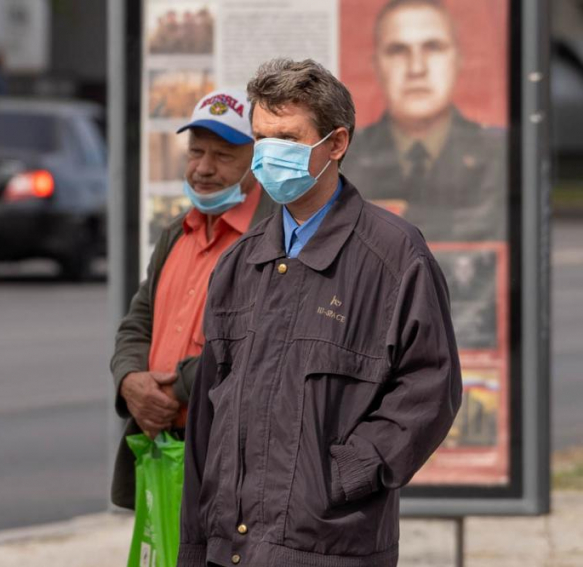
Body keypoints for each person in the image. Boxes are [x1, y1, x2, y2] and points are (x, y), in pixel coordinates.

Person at [178, 58, 462, 567]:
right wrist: (197, 548)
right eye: (261, 138)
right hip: (231, 551)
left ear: (335, 144)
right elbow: (207, 420)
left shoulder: (394, 255)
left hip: (332, 549)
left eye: (286, 138)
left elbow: (431, 388)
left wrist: (347, 474)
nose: (268, 155)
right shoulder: (240, 262)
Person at [110, 90, 276, 510]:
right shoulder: (176, 233)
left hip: (231, 460)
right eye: (196, 152)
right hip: (164, 452)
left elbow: (259, 345)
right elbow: (137, 323)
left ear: (256, 161)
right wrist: (130, 380)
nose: (203, 168)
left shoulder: (274, 237)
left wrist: (173, 390)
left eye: (222, 156)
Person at [342, 0, 506, 242]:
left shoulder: (501, 154)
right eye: (398, 50)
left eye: (433, 47)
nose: (416, 68)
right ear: (377, 65)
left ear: (458, 59)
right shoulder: (343, 157)